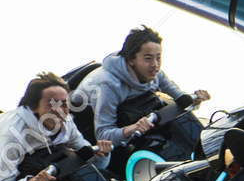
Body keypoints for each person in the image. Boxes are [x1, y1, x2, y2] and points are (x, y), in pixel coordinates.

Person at [76, 26, 210, 146]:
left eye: (158, 57)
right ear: (131, 60)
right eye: (148, 58)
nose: (155, 65)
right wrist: (133, 128)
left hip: (131, 113)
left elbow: (181, 98)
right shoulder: (109, 86)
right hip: (85, 124)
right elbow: (103, 136)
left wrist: (195, 100)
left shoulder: (155, 73)